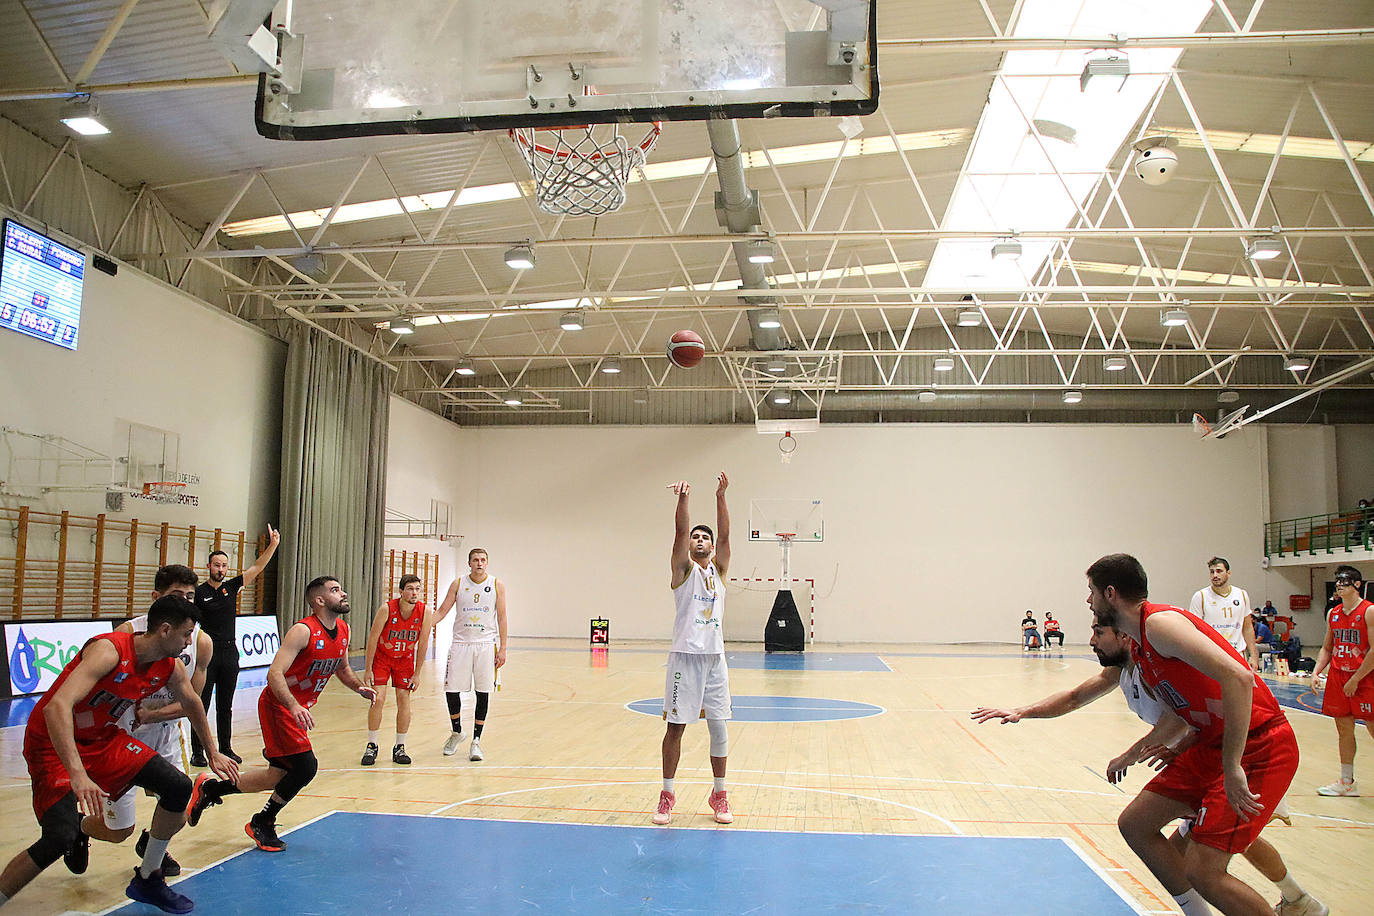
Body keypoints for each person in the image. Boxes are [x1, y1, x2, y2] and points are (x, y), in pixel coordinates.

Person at [971, 622, 1326, 916]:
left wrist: (1134, 753)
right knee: (1185, 847)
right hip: (1197, 751)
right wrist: (1023, 711)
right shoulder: (1123, 669)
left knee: (1211, 851)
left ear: (1124, 635)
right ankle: (1295, 899)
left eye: (1098, 630)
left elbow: (1183, 717)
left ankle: (1296, 899)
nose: (1091, 639)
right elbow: (1076, 696)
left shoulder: (1160, 659)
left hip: (1231, 747)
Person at [1087, 553, 1299, 916]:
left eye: (1090, 592)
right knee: (1136, 824)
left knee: (1204, 869)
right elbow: (1181, 711)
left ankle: (1294, 899)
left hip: (1259, 742)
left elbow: (1240, 677)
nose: (1087, 601)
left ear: (1110, 593)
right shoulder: (1139, 644)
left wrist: (1232, 766)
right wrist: (1148, 750)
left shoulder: (1160, 625)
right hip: (1210, 743)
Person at [0, 595, 238, 914]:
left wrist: (213, 752)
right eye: (185, 634)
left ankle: (148, 877)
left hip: (103, 739)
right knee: (59, 835)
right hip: (54, 741)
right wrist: (78, 773)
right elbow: (57, 706)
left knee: (178, 787)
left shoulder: (168, 666)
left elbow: (193, 703)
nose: (188, 643)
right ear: (165, 630)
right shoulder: (110, 650)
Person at [186, 576, 375, 852]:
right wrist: (293, 705)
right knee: (305, 767)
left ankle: (212, 790)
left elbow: (342, 668)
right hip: (279, 706)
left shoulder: (343, 630)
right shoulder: (303, 631)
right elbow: (274, 673)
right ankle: (263, 820)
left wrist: (359, 687)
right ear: (319, 600)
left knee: (277, 776)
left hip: (295, 710)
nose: (343, 593)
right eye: (336, 590)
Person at [74, 565, 215, 879]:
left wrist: (154, 715)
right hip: (123, 731)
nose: (186, 603)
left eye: (191, 597)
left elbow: (192, 702)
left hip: (165, 732)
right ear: (157, 598)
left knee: (178, 809)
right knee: (118, 829)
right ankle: (79, 827)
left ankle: (151, 851)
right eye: (178, 596)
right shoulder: (126, 634)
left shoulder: (200, 642)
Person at [653, 472, 734, 826]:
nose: (699, 539)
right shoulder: (682, 570)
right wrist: (683, 499)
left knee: (719, 727)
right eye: (696, 537)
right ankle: (667, 794)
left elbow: (727, 534)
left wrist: (720, 496)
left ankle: (719, 793)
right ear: (690, 545)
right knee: (676, 728)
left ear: (712, 547)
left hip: (715, 659)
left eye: (705, 537)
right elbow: (679, 533)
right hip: (684, 659)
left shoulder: (719, 570)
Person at [190, 525, 281, 767]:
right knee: (201, 704)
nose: (220, 569)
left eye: (224, 565)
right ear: (208, 567)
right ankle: (198, 751)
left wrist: (272, 545)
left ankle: (226, 748)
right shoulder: (199, 593)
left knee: (225, 705)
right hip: (207, 655)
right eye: (216, 565)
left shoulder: (232, 588)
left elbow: (257, 567)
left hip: (230, 653)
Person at [434, 548, 507, 762]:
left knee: (483, 691)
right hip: (460, 644)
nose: (479, 563)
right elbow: (440, 612)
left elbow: (502, 617)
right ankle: (457, 732)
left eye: (483, 560)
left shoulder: (496, 585)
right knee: (451, 689)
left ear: (487, 563)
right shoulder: (458, 584)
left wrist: (503, 648)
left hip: (485, 644)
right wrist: (419, 625)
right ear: (469, 563)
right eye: (475, 560)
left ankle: (476, 741)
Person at [1309, 565, 1373, 797]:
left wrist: (1356, 679)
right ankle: (1347, 781)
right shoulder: (1333, 613)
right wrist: (1316, 671)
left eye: (1344, 581)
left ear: (1357, 584)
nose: (1338, 584)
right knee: (1344, 730)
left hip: (1365, 677)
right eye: (1337, 581)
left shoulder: (1369, 611)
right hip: (1338, 676)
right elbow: (1327, 647)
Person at [361, 574, 431, 766]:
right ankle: (372, 745)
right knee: (378, 698)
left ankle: (400, 747)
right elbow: (373, 638)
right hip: (382, 658)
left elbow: (423, 643)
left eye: (417, 588)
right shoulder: (387, 609)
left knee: (403, 698)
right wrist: (367, 669)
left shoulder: (425, 612)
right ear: (401, 591)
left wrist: (417, 674)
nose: (414, 592)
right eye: (410, 588)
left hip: (405, 660)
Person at [1188, 557, 1257, 671]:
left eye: (1219, 571)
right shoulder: (1200, 596)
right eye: (1212, 572)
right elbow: (1193, 630)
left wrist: (1253, 656)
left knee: (1239, 688)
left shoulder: (1242, 595)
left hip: (1237, 654)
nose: (1215, 575)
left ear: (1228, 573)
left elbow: (1248, 627)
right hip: (1212, 655)